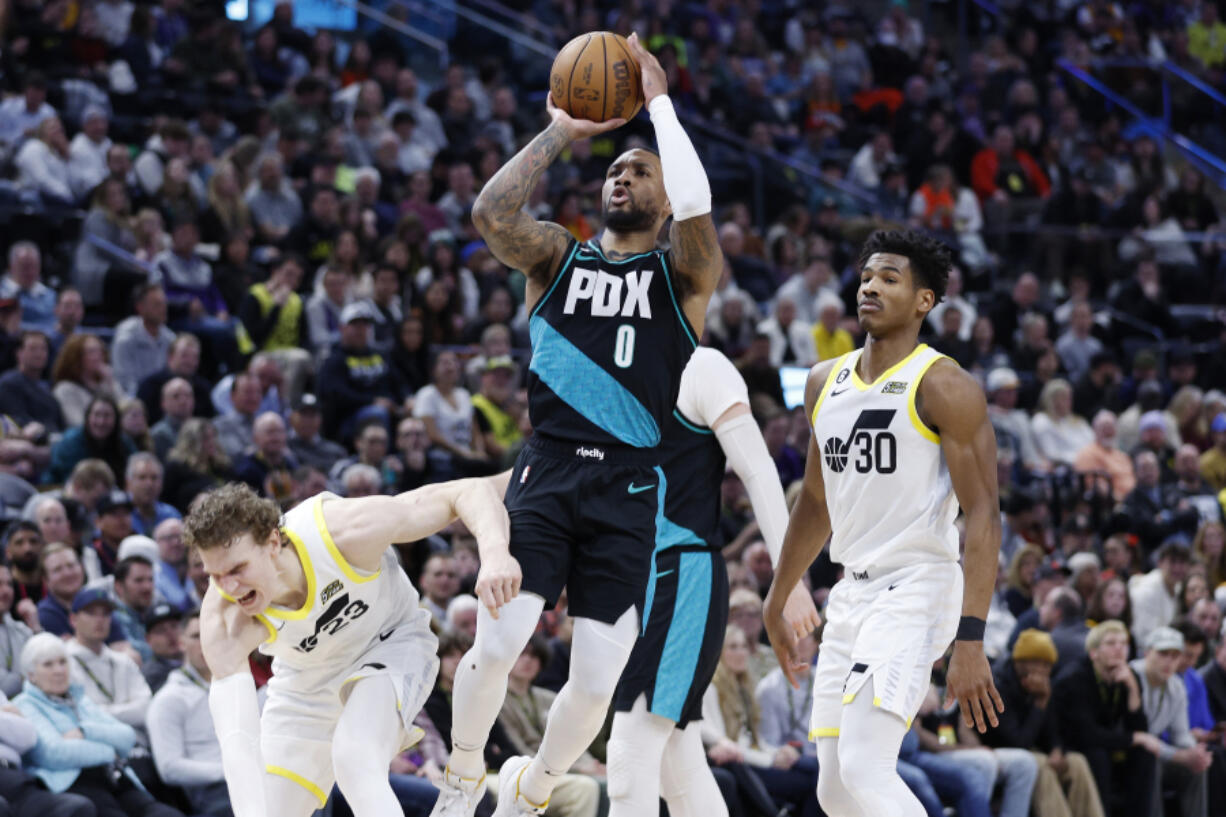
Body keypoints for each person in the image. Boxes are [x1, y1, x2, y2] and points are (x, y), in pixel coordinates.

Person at [432, 33, 721, 817]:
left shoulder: (683, 274)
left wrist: (659, 104)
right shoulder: (557, 258)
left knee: (596, 680)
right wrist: (564, 131)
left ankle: (535, 783)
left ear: (664, 200)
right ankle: (462, 776)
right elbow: (491, 211)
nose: (622, 174)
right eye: (615, 169)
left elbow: (697, 205)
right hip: (551, 470)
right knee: (496, 645)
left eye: (639, 170)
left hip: (631, 484)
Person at [763, 229, 1004, 817]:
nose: (870, 285)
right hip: (852, 591)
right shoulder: (824, 382)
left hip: (918, 584)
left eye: (890, 278)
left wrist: (971, 638)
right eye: (868, 276)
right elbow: (816, 503)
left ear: (924, 301)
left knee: (867, 771)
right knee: (835, 790)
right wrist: (778, 594)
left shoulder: (944, 385)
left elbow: (985, 515)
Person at [186, 476, 515, 817]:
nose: (229, 586)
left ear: (272, 542)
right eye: (215, 575)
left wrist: (495, 555)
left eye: (238, 568)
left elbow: (465, 492)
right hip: (304, 682)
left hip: (388, 643)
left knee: (355, 759)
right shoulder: (225, 619)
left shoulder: (342, 531)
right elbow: (237, 741)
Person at [607, 345, 821, 816]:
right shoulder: (617, 361)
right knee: (677, 766)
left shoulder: (702, 365)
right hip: (635, 577)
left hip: (683, 571)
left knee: (629, 751)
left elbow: (758, 471)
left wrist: (791, 581)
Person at [15, 632, 184, 816]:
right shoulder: (25, 704)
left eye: (63, 662)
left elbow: (126, 736)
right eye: (48, 664)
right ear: (31, 675)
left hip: (115, 777)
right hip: (75, 783)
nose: (59, 670)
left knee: (166, 814)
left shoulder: (80, 699)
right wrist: (109, 752)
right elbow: (54, 753)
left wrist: (85, 732)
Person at [1053, 621, 1155, 817]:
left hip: (1101, 740)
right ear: (1093, 652)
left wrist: (1133, 689)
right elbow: (1086, 734)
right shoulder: (1075, 678)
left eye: (1124, 643)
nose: (1119, 648)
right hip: (1068, 743)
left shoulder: (1128, 675)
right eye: (1111, 643)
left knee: (1144, 753)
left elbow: (1140, 728)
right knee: (1097, 755)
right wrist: (1133, 738)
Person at [147, 610, 233, 817]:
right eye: (196, 636)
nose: (205, 642)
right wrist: (228, 771)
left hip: (254, 774)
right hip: (213, 790)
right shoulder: (169, 699)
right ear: (181, 642)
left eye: (211, 634)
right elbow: (169, 768)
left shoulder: (235, 684)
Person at [1128, 626, 1211, 817]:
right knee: (1150, 760)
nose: (1169, 661)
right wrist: (1180, 755)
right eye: (1163, 654)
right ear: (1147, 652)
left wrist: (1195, 753)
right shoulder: (1131, 676)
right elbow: (1135, 734)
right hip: (1131, 750)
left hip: (1158, 750)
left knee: (1197, 767)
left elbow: (1181, 734)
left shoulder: (1176, 686)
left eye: (1175, 656)